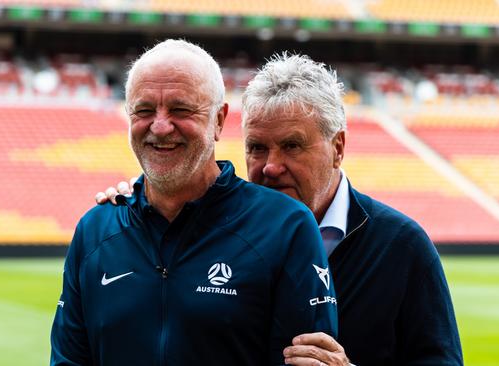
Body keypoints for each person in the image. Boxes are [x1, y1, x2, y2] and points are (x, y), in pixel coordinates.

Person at [99, 53, 463, 366]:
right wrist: (141, 198)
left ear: (338, 148)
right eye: (257, 148)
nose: (270, 166)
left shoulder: (400, 246)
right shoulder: (210, 228)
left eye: (291, 146)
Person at [50, 40, 338, 366]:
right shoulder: (95, 230)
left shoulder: (286, 227)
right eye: (144, 110)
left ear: (218, 120)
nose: (160, 126)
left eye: (180, 109)